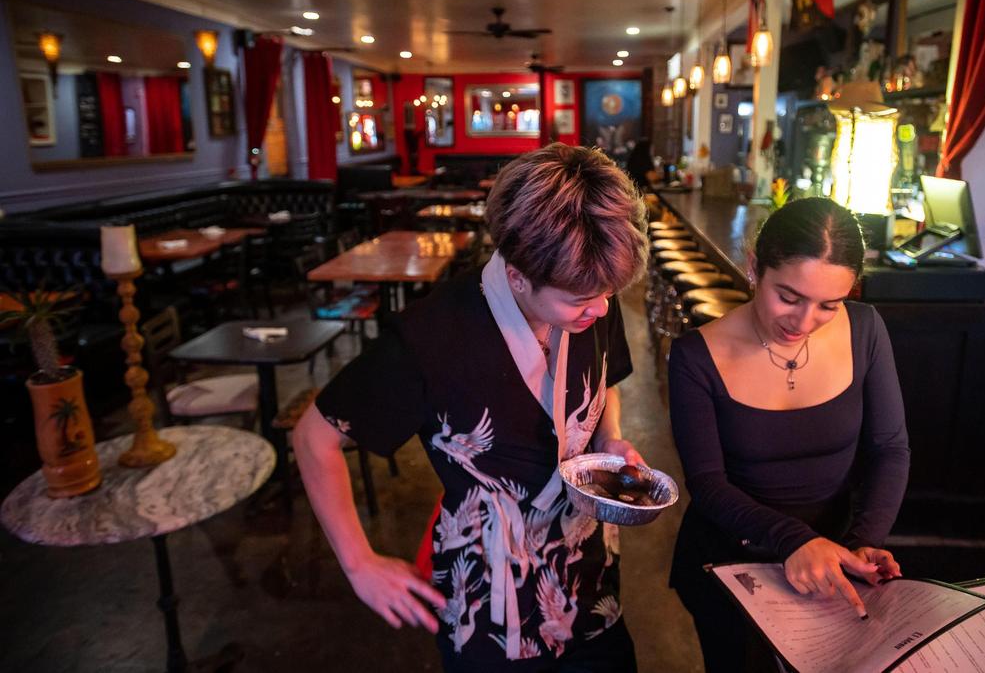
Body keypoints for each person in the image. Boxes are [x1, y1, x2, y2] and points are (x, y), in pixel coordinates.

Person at [295, 143, 649, 672]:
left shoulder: (592, 292)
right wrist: (358, 563)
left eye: (606, 293)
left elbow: (605, 383)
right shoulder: (430, 336)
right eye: (579, 298)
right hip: (488, 592)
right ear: (516, 273)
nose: (599, 308)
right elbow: (314, 437)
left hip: (588, 569)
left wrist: (607, 439)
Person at [668, 197, 910, 672]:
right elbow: (708, 483)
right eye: (789, 296)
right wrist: (794, 540)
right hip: (733, 559)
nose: (803, 323)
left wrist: (862, 543)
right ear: (755, 265)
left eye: (829, 305)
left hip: (834, 559)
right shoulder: (696, 356)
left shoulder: (866, 330)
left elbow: (890, 449)